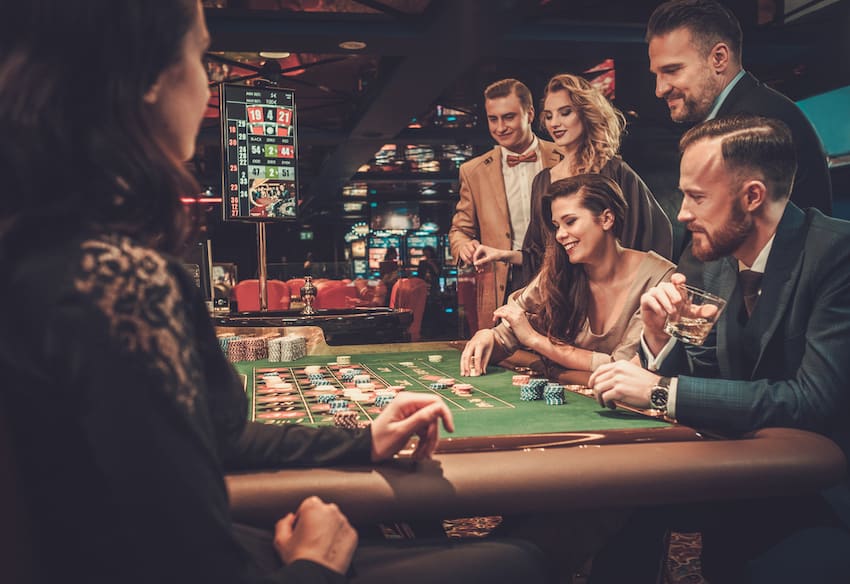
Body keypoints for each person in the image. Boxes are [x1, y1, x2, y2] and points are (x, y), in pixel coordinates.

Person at [0, 2, 551, 583]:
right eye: (203, 56)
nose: (206, 78)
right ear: (152, 80)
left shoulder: (41, 252)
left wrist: (364, 440)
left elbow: (222, 437)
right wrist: (315, 563)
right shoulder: (122, 285)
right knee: (519, 564)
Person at [588, 115, 850, 583]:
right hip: (742, 473)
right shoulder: (714, 263)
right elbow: (720, 385)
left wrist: (659, 391)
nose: (683, 212)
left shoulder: (837, 256)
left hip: (824, 495)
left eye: (697, 197)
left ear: (752, 196)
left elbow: (813, 401)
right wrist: (658, 338)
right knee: (621, 509)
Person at [460, 174, 675, 376]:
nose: (560, 235)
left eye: (570, 221)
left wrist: (535, 340)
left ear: (607, 219)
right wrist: (488, 336)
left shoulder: (659, 279)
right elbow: (506, 336)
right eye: (556, 226)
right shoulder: (559, 271)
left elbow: (624, 366)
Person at [647, 0, 832, 215]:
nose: (659, 89)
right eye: (657, 74)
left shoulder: (756, 124)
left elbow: (732, 235)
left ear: (719, 58)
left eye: (672, 70)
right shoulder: (742, 113)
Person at [519, 73, 673, 283]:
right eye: (548, 115)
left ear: (585, 113)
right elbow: (537, 251)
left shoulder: (615, 171)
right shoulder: (542, 181)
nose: (555, 123)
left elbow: (654, 234)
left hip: (614, 290)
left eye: (565, 113)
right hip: (564, 294)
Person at [449, 78, 563, 332]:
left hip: (562, 274)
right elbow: (459, 230)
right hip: (506, 280)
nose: (500, 127)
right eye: (493, 119)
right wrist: (464, 246)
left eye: (508, 117)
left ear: (530, 114)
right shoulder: (473, 171)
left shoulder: (566, 156)